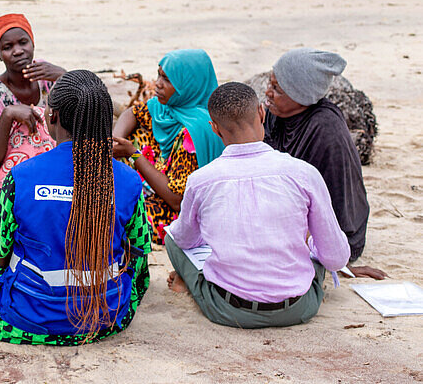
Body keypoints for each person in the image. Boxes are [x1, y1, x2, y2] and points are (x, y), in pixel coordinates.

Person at [0, 70, 151, 345]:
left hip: (28, 318)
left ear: (52, 115)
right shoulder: (129, 180)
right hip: (105, 318)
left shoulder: (22, 176)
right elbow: (139, 252)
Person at [166, 82, 350, 329]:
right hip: (300, 308)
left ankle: (190, 281)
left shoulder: (201, 180)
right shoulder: (303, 173)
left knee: (172, 236)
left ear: (214, 129)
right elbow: (337, 259)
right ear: (262, 113)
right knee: (315, 245)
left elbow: (186, 241)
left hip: (227, 310)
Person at [263, 48, 385, 280]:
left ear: (301, 95)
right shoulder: (275, 114)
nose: (268, 93)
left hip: (335, 231)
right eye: (271, 84)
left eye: (277, 89)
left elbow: (336, 203)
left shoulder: (325, 130)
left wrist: (336, 258)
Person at [113, 49, 224, 244]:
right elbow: (133, 112)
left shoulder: (193, 131)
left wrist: (134, 155)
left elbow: (176, 201)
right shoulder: (166, 108)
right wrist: (116, 139)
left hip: (180, 217)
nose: (158, 83)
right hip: (159, 187)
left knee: (117, 214)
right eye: (159, 75)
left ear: (188, 85)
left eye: (167, 79)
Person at [0, 13, 64, 216]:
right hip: (14, 172)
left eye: (23, 42)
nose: (18, 51)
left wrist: (63, 75)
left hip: (50, 166)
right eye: (8, 47)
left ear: (33, 42)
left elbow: (80, 112)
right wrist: (8, 115)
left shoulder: (46, 75)